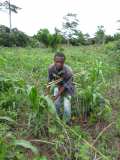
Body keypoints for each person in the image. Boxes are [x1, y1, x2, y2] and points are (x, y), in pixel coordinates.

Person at [47, 52, 75, 124]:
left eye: (61, 62)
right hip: (58, 86)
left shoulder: (68, 71)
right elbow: (49, 82)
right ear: (54, 61)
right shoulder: (51, 68)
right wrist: (47, 94)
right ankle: (58, 118)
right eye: (57, 62)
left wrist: (56, 96)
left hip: (68, 89)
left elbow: (65, 87)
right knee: (56, 104)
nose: (59, 63)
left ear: (64, 62)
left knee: (66, 107)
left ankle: (67, 121)